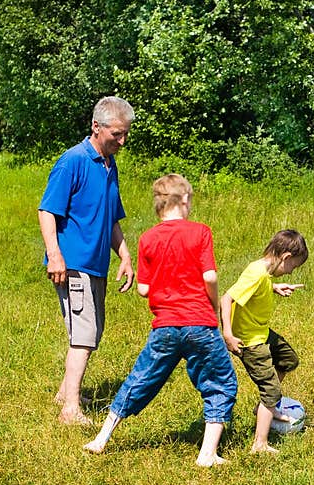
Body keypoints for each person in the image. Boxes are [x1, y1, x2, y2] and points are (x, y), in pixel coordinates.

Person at [83, 174, 238, 467]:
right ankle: (207, 454)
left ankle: (101, 438)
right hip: (200, 323)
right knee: (220, 382)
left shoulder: (148, 238)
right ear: (185, 200)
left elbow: (144, 289)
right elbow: (210, 276)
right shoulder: (200, 232)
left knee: (141, 379)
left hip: (165, 326)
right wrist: (213, 303)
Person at [38, 96, 136, 425]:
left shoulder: (110, 165)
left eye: (125, 135)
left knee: (92, 334)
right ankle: (70, 410)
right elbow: (47, 211)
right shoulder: (73, 161)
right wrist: (55, 255)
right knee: (84, 334)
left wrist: (124, 255)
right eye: (116, 134)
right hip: (73, 262)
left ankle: (64, 392)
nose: (122, 141)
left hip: (97, 264)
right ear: (97, 127)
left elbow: (111, 219)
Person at [220, 230, 308, 454]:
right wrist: (228, 335)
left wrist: (274, 287)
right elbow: (226, 298)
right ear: (286, 257)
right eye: (293, 267)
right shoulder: (257, 273)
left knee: (288, 359)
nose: (291, 272)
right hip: (249, 341)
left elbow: (254, 289)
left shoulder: (264, 275)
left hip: (261, 331)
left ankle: (266, 407)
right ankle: (260, 443)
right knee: (270, 389)